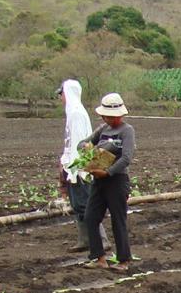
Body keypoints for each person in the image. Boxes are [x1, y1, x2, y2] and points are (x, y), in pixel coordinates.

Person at [78, 93, 136, 271]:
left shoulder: (127, 131)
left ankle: (124, 261)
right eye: (105, 116)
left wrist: (108, 172)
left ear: (120, 115)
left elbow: (126, 158)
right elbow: (82, 144)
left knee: (118, 220)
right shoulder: (103, 129)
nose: (107, 119)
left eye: (111, 116)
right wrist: (86, 148)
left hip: (116, 181)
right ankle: (99, 258)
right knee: (90, 217)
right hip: (99, 180)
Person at [57, 79, 93, 252]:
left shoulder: (77, 113)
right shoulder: (73, 112)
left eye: (61, 93)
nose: (60, 98)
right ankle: (85, 240)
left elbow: (79, 145)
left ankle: (98, 240)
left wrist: (75, 170)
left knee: (83, 204)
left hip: (79, 169)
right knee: (78, 204)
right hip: (73, 167)